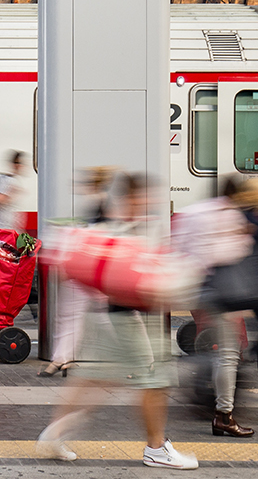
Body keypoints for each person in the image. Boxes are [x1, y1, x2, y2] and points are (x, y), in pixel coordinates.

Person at [36, 173, 199, 470]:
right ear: (132, 197)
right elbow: (141, 282)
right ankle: (156, 448)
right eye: (145, 196)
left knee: (94, 380)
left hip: (103, 315)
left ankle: (54, 434)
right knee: (155, 380)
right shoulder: (125, 228)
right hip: (123, 317)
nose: (151, 202)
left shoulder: (111, 225)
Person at [172, 177, 257, 438]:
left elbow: (179, 246)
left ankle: (218, 407)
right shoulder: (231, 217)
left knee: (219, 348)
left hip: (199, 288)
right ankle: (223, 415)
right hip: (224, 292)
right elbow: (233, 254)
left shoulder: (196, 211)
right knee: (228, 354)